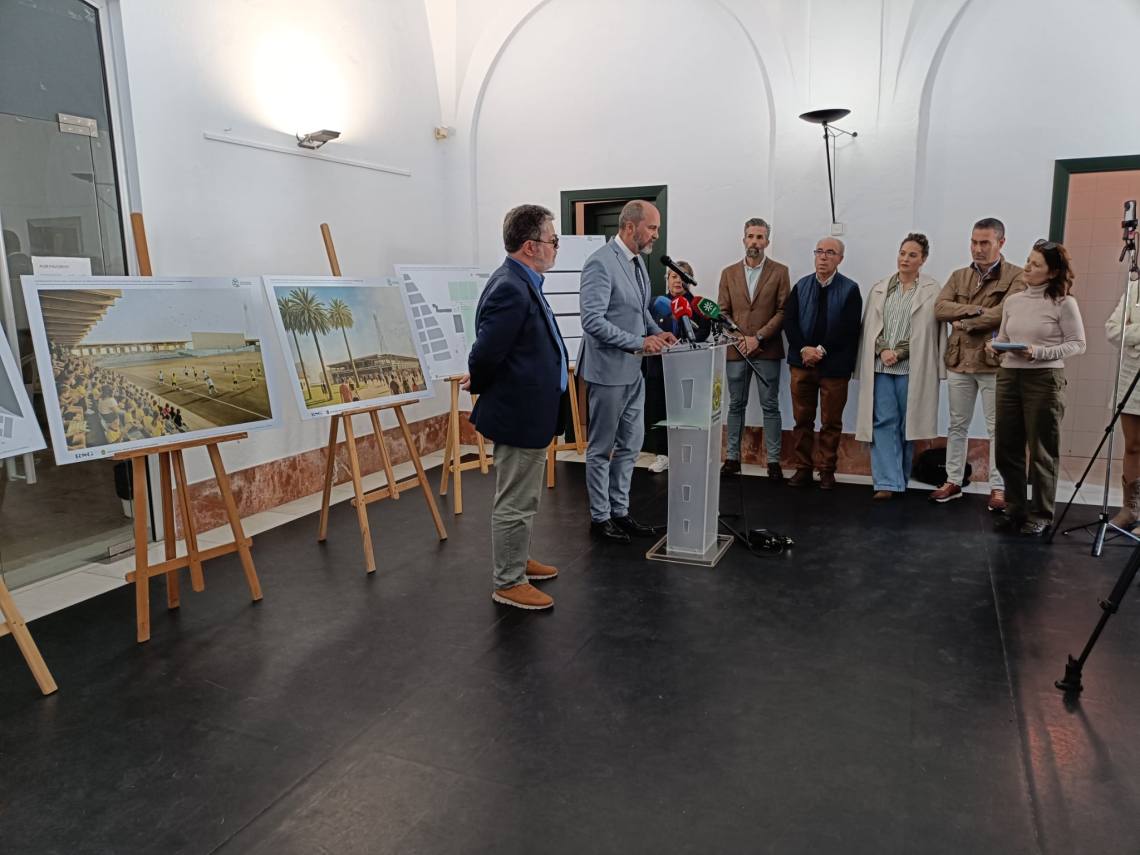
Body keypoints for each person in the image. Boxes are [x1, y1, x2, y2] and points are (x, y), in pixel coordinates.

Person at [467, 204, 570, 610]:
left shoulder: (522, 281)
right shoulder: (510, 286)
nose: (555, 246)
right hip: (518, 412)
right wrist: (482, 384)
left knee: (525, 497)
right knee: (515, 500)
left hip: (530, 410)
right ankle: (508, 581)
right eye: (552, 240)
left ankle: (517, 559)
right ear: (531, 246)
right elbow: (484, 353)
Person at [577, 200, 676, 542]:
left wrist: (657, 332)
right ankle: (600, 517)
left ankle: (620, 511)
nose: (656, 235)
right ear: (630, 226)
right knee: (602, 448)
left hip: (634, 371)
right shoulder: (600, 263)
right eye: (652, 228)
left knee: (631, 446)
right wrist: (639, 342)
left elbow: (640, 310)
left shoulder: (637, 263)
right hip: (607, 371)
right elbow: (592, 321)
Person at [987, 240, 1085, 536]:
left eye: (1036, 264)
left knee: (1042, 449)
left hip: (1044, 378)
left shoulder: (1064, 303)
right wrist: (995, 347)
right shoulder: (1013, 301)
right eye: (1028, 261)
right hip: (1009, 375)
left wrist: (1040, 352)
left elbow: (1077, 344)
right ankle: (1015, 509)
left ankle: (1041, 514)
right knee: (1007, 447)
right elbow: (1005, 337)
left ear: (1052, 272)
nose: (1027, 267)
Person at [931, 218, 1025, 508]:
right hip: (959, 361)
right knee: (957, 425)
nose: (977, 248)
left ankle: (998, 487)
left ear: (1001, 243)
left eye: (985, 243)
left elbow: (1005, 313)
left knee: (998, 429)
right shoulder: (959, 275)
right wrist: (976, 309)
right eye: (974, 242)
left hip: (993, 362)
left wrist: (965, 322)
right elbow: (940, 308)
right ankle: (953, 480)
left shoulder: (1017, 276)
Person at [854, 234, 946, 499]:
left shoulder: (932, 290)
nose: (905, 259)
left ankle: (900, 478)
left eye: (912, 255)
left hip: (913, 368)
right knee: (883, 422)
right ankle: (886, 482)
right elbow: (870, 327)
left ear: (923, 259)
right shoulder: (880, 288)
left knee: (909, 425)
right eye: (902, 253)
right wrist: (883, 350)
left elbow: (928, 332)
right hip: (881, 367)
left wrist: (900, 352)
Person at [783, 237, 863, 489]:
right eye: (819, 251)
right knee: (802, 420)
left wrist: (820, 350)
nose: (823, 257)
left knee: (831, 422)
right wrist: (804, 349)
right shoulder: (801, 286)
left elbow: (849, 328)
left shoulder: (850, 289)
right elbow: (789, 321)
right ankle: (803, 468)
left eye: (830, 252)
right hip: (802, 363)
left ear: (840, 259)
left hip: (834, 367)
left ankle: (827, 470)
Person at [717, 218, 791, 479]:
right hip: (736, 350)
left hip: (767, 349)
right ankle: (732, 458)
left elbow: (783, 311)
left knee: (770, 405)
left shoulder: (780, 272)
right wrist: (740, 338)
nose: (755, 242)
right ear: (743, 239)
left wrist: (758, 338)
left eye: (760, 237)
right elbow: (722, 312)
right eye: (751, 236)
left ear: (767, 242)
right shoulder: (728, 273)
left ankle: (773, 462)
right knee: (736, 404)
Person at [644, 261, 710, 473]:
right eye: (673, 276)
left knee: (685, 413)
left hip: (687, 369)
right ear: (667, 280)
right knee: (658, 411)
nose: (678, 280)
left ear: (689, 280)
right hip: (658, 368)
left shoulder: (698, 306)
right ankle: (662, 455)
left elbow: (703, 332)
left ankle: (686, 455)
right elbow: (646, 330)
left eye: (683, 276)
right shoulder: (656, 304)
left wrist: (682, 344)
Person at [1106, 291, 1140, 528]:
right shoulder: (1135, 286)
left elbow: (1124, 332)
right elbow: (1113, 330)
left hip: (1133, 355)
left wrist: (1132, 330)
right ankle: (1131, 509)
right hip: (1131, 373)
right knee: (1133, 445)